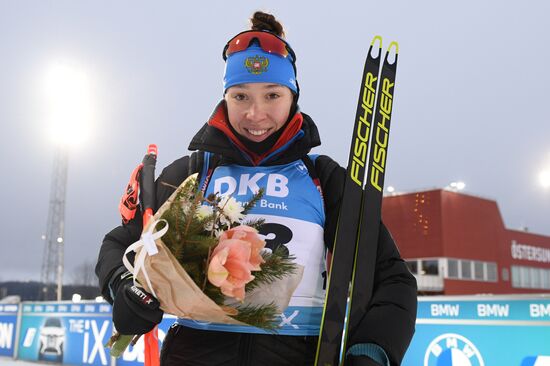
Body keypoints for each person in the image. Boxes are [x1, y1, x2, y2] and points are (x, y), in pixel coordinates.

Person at [96, 11, 417, 366]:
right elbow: (120, 243)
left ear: (293, 95)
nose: (255, 113)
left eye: (272, 95)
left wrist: (371, 351)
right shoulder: (193, 172)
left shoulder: (322, 178)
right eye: (241, 97)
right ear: (225, 98)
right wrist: (123, 287)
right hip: (194, 353)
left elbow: (392, 277)